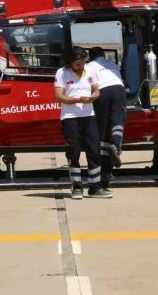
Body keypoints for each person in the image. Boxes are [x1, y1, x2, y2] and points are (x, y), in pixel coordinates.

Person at [54, 46, 112, 199]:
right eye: (77, 64)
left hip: (89, 116)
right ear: (70, 62)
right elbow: (59, 97)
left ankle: (95, 187)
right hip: (70, 117)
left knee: (94, 151)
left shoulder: (90, 70)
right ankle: (76, 187)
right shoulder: (62, 73)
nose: (81, 67)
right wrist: (77, 100)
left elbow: (96, 89)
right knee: (73, 151)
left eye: (83, 63)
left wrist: (94, 96)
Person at [88, 46, 127, 190]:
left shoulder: (89, 66)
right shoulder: (112, 64)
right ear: (103, 55)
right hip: (118, 89)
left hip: (102, 91)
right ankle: (116, 146)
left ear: (90, 57)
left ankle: (105, 172)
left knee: (102, 129)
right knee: (117, 120)